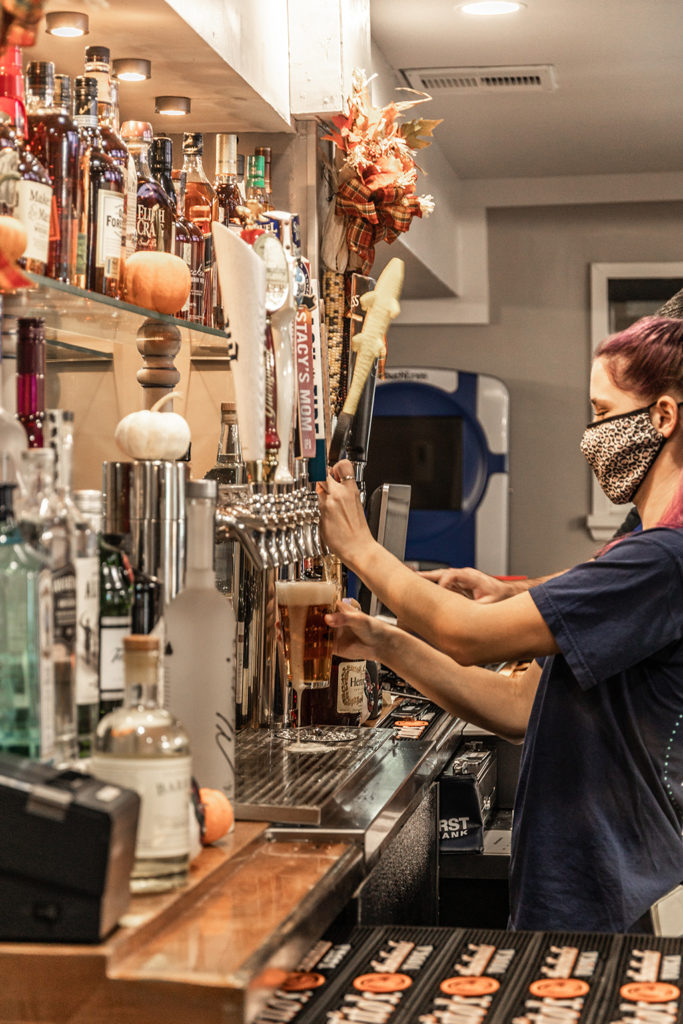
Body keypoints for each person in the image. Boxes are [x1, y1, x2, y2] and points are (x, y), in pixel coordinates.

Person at [317, 315, 683, 934]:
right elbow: (519, 705)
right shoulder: (645, 544)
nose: (592, 433)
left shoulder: (662, 557)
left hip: (603, 881)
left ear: (664, 418)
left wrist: (360, 547)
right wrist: (386, 643)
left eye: (602, 410)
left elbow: (468, 633)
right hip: (584, 875)